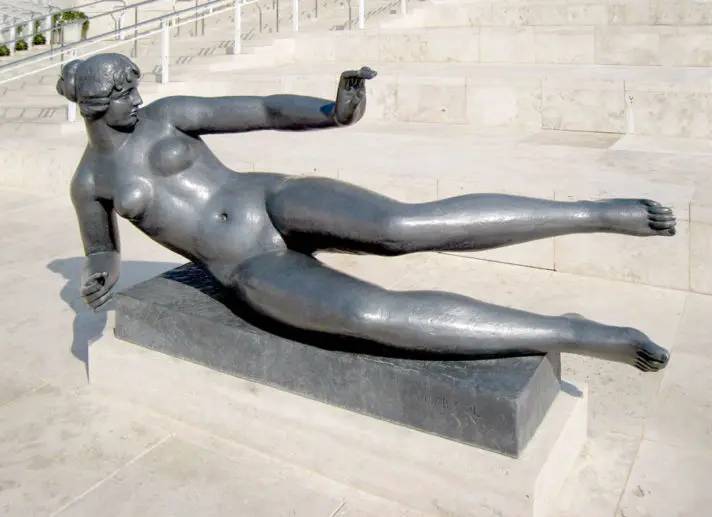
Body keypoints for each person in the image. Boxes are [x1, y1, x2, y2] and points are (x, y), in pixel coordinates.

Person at [58, 52, 675, 373]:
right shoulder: (90, 182)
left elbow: (263, 109)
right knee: (371, 314)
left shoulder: (168, 115)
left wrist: (332, 111)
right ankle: (573, 332)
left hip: (269, 199)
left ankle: (597, 213)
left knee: (403, 226)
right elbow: (102, 248)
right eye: (122, 95)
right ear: (91, 106)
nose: (136, 99)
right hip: (245, 266)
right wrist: (99, 273)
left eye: (134, 88)